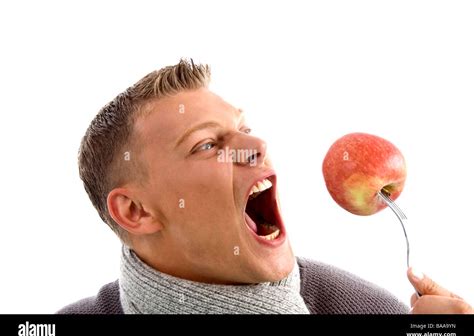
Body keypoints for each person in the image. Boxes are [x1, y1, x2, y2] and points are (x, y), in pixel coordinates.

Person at [58, 59, 472, 314]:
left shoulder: (369, 312)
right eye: (207, 145)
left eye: (245, 129)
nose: (257, 146)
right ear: (136, 211)